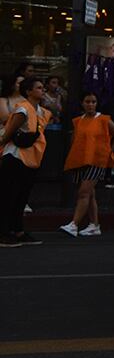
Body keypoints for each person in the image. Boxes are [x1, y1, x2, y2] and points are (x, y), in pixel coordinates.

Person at [59, 92, 114, 238]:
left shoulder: (103, 119)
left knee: (83, 192)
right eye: (87, 102)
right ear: (82, 103)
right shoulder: (78, 121)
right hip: (81, 159)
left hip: (97, 160)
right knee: (90, 194)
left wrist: (108, 151)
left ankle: (74, 224)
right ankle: (94, 225)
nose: (91, 105)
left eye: (93, 102)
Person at [0, 77, 50, 246]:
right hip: (15, 157)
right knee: (9, 196)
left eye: (43, 88)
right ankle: (4, 232)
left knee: (22, 197)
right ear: (28, 91)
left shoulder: (42, 112)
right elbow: (8, 133)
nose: (43, 90)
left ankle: (18, 230)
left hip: (31, 159)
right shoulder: (23, 110)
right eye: (39, 88)